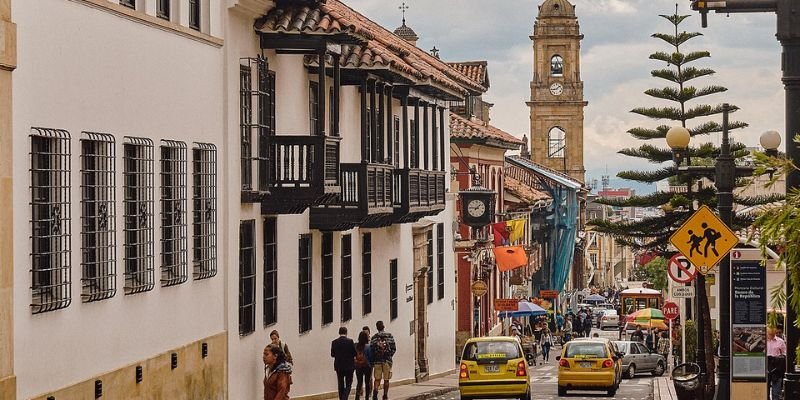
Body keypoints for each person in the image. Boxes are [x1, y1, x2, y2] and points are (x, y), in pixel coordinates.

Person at [370, 320, 396, 400]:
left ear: (377, 328)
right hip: (387, 361)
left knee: (377, 379)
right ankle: (385, 395)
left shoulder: (374, 338)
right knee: (386, 379)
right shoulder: (390, 336)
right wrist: (389, 356)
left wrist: (375, 358)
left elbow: (371, 349)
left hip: (377, 361)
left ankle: (375, 392)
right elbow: (394, 348)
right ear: (383, 327)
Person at [331, 326, 357, 400]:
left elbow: (332, 354)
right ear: (346, 332)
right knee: (349, 383)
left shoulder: (334, 342)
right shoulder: (350, 341)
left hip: (339, 366)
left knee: (340, 383)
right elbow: (354, 353)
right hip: (349, 366)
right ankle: (344, 397)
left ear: (339, 332)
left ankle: (341, 398)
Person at [767, 327, 787, 400]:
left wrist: (778, 359)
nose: (771, 334)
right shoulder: (763, 341)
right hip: (766, 366)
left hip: (777, 368)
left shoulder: (780, 341)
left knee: (776, 393)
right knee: (765, 392)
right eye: (769, 333)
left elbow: (785, 354)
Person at [354, 331, 373, 400]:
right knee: (367, 383)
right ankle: (367, 397)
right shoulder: (368, 346)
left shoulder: (356, 346)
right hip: (367, 366)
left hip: (358, 366)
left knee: (359, 382)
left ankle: (357, 397)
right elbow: (371, 357)